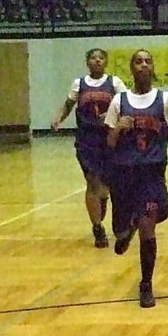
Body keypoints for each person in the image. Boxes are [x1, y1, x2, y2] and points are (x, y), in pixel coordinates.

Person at [103, 49, 168, 308]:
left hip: (151, 174)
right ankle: (126, 227)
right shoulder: (119, 102)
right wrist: (118, 129)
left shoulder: (165, 99)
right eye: (138, 61)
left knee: (148, 227)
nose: (143, 65)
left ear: (153, 68)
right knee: (120, 231)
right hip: (124, 174)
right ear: (131, 69)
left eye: (147, 61)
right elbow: (109, 142)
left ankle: (146, 284)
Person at [51, 48, 127, 248]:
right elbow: (68, 105)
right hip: (87, 139)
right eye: (93, 58)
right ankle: (97, 228)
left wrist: (112, 115)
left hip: (110, 138)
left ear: (106, 62)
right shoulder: (79, 84)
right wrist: (59, 118)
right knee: (92, 181)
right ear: (88, 62)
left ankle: (102, 202)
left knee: (107, 185)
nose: (97, 61)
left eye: (101, 58)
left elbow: (126, 105)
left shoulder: (115, 83)